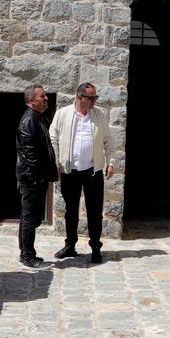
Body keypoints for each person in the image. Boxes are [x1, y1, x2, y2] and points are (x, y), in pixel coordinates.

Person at [50, 82, 114, 264]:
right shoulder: (63, 114)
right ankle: (70, 244)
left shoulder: (98, 115)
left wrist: (111, 162)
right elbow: (53, 137)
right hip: (70, 170)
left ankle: (95, 246)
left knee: (95, 211)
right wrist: (56, 163)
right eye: (91, 97)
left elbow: (108, 141)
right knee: (70, 209)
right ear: (79, 97)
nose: (94, 101)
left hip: (93, 171)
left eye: (95, 97)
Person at [14, 84, 58, 267]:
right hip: (31, 177)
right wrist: (38, 177)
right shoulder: (29, 121)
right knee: (30, 217)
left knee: (30, 217)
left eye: (46, 95)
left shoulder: (38, 119)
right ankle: (27, 256)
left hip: (35, 177)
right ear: (32, 101)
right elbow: (31, 153)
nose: (46, 98)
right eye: (42, 96)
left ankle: (26, 253)